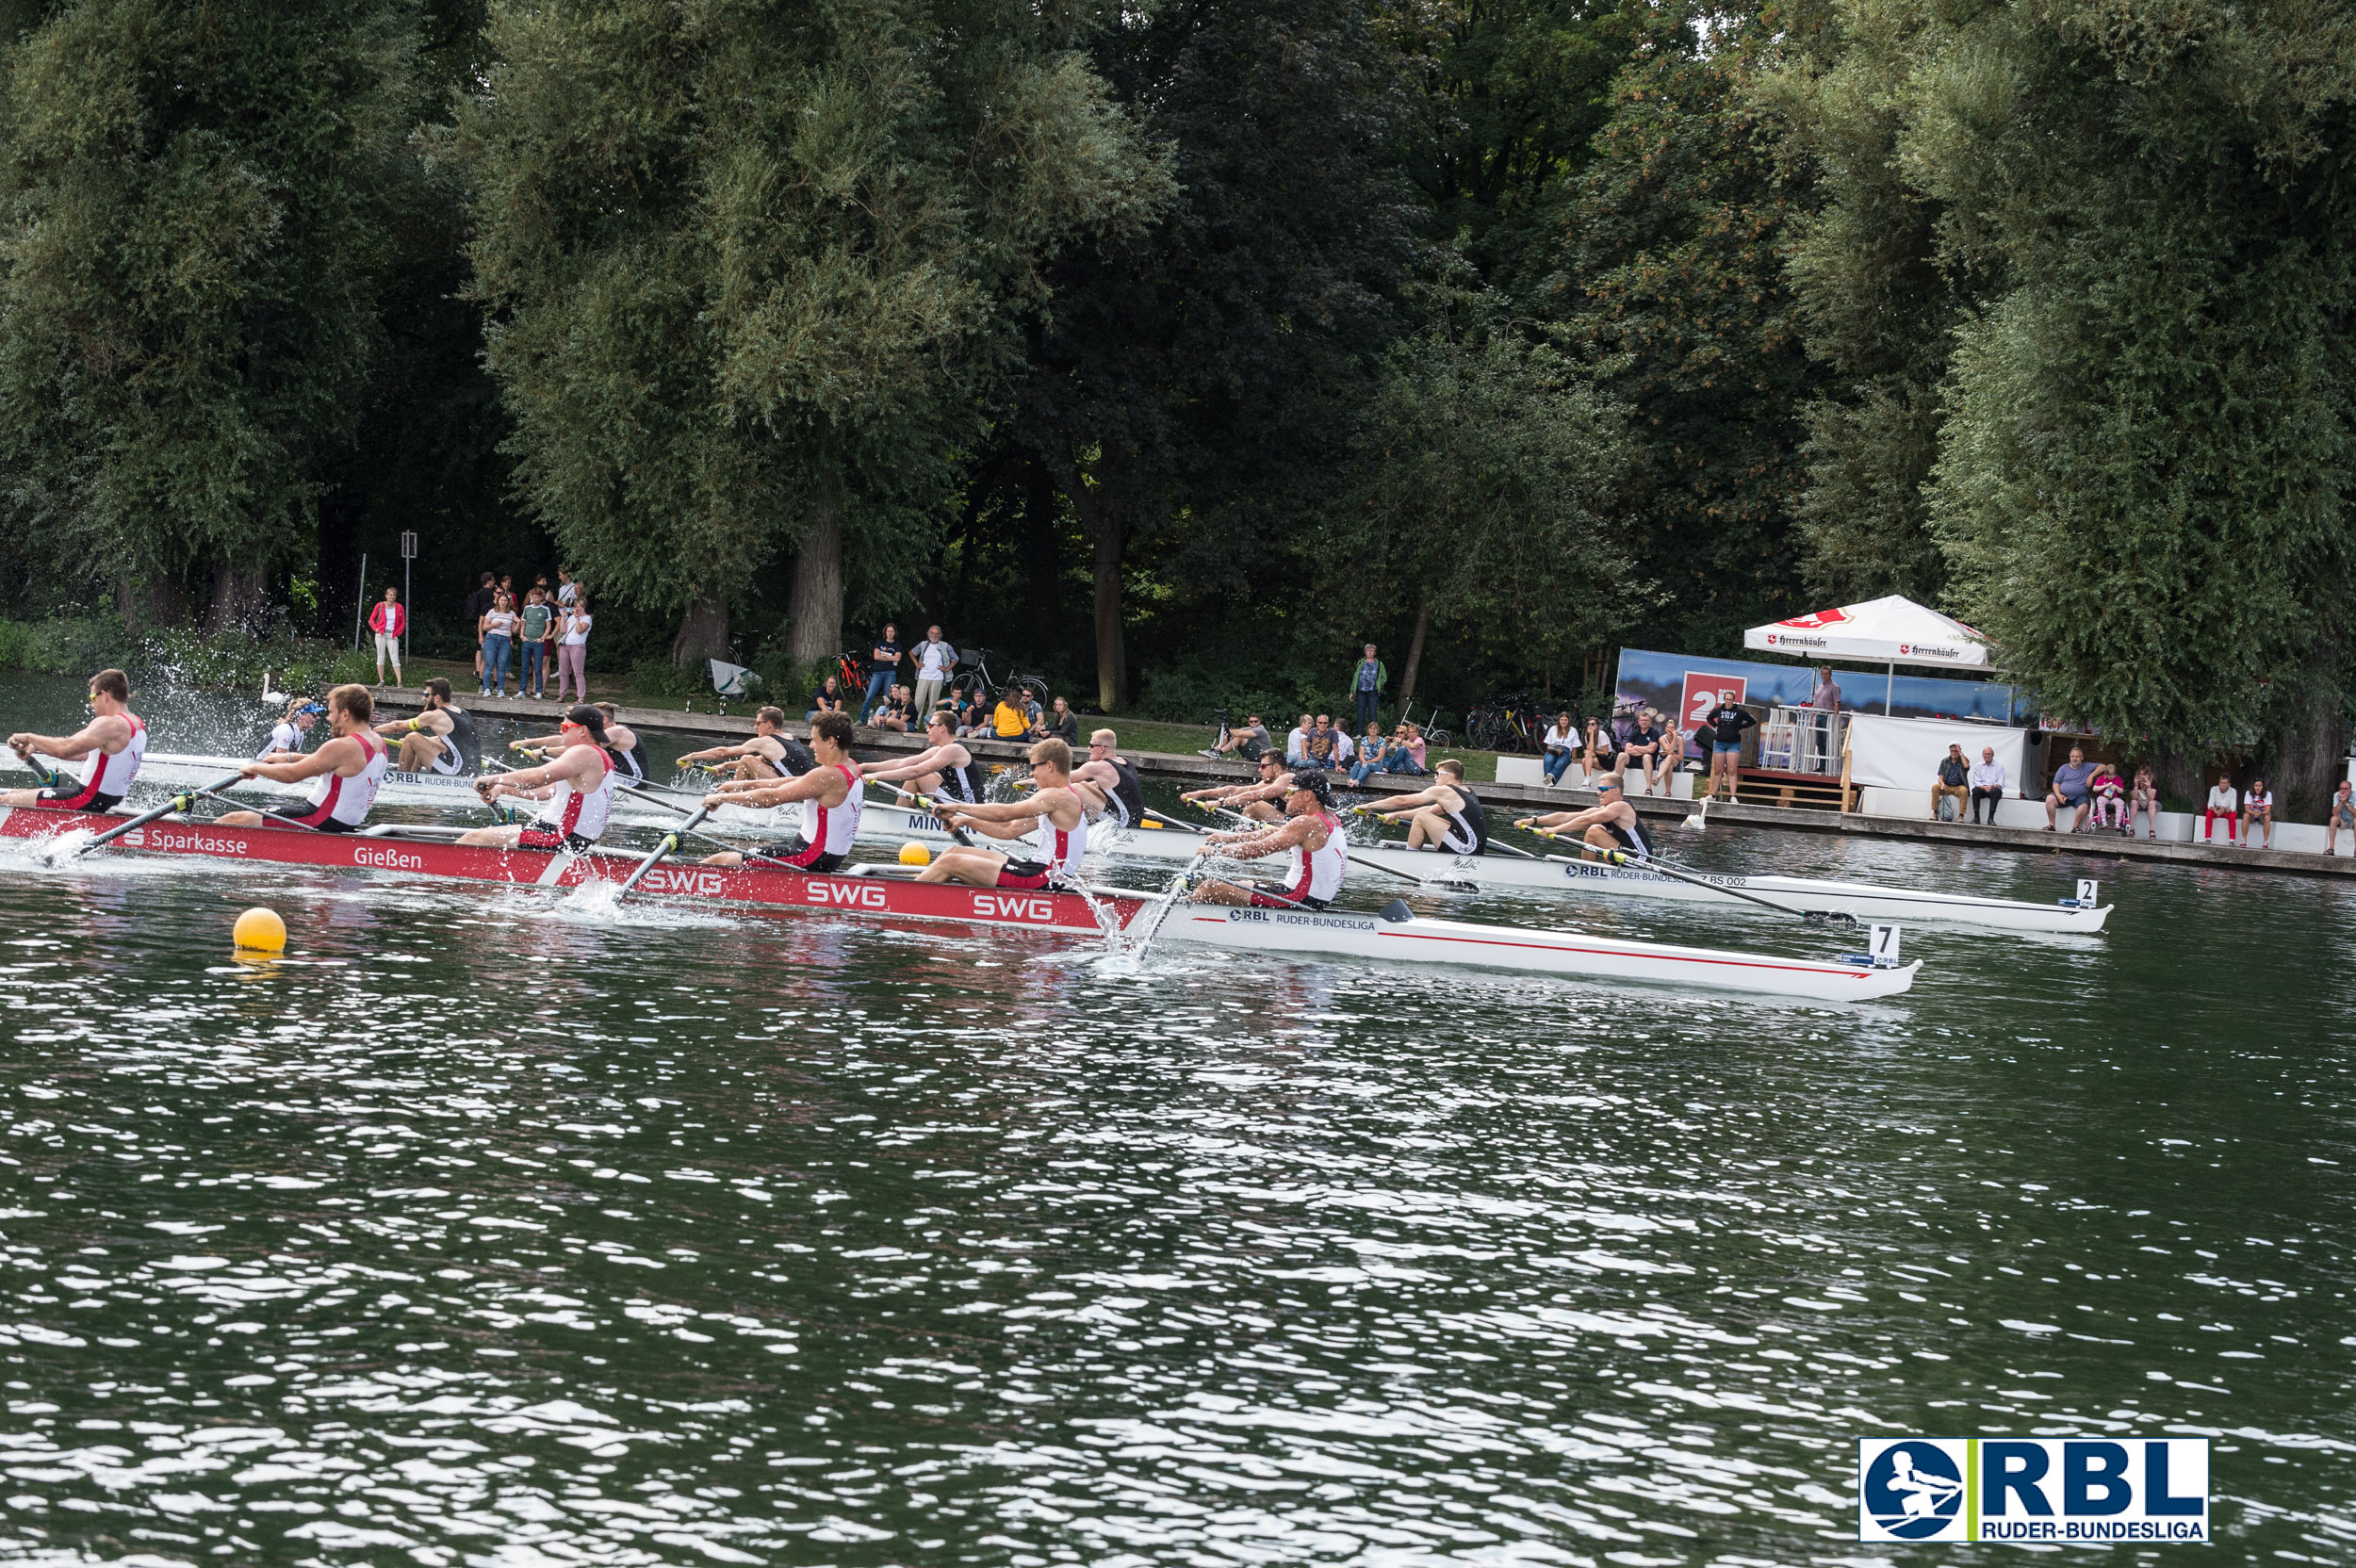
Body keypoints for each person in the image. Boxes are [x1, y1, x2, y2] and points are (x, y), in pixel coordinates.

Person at [915, 738, 1090, 890]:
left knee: (951, 863)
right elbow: (1009, 829)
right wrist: (965, 821)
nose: (1031, 773)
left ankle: (904, 900)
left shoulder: (1057, 795)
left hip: (1047, 878)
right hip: (1041, 871)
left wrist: (957, 807)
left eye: (1034, 766)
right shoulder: (1063, 798)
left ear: (1050, 765)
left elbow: (1005, 814)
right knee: (953, 851)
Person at [697, 711, 864, 870]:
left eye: (814, 740)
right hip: (827, 856)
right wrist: (738, 787)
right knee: (741, 855)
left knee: (722, 859)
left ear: (831, 742)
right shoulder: (851, 767)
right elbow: (790, 781)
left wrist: (723, 799)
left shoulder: (828, 775)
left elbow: (770, 798)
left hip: (810, 856)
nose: (811, 746)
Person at [215, 685, 385, 834]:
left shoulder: (342, 746)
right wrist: (290, 756)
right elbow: (331, 762)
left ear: (345, 714)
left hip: (319, 818)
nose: (328, 718)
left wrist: (255, 768)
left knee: (233, 819)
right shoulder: (377, 742)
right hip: (346, 823)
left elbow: (292, 775)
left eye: (331, 712)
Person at [458, 705, 616, 852]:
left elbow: (536, 778)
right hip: (566, 835)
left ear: (582, 731)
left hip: (560, 835)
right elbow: (545, 791)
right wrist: (501, 788)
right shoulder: (599, 756)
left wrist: (493, 779)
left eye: (564, 727)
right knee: (482, 839)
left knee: (473, 838)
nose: (561, 732)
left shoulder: (584, 752)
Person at [1193, 770, 1349, 909]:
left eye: (1290, 791)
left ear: (1307, 795)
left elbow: (1257, 850)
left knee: (1210, 887)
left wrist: (1216, 850)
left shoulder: (1307, 823)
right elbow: (1275, 833)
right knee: (1239, 883)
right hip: (1309, 896)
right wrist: (1228, 839)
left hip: (1299, 898)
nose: (1286, 797)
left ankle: (1187, 912)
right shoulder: (1330, 819)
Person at [3, 668, 145, 811]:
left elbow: (64, 749)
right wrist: (36, 746)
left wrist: (29, 737)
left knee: (5, 800)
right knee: (15, 794)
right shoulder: (137, 725)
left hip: (84, 800)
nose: (91, 705)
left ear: (104, 695)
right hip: (105, 801)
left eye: (92, 698)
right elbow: (82, 753)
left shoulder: (110, 724)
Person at [1359, 759, 1487, 854]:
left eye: (1437, 774)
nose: (1434, 778)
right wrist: (1396, 815)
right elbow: (1430, 810)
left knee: (1421, 817)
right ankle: (1413, 854)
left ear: (1450, 776)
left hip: (1467, 848)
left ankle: (1410, 859)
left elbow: (1402, 801)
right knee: (1423, 815)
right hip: (1474, 847)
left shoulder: (1445, 791)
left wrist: (1369, 805)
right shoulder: (1466, 791)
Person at [862, 709, 988, 805]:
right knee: (917, 776)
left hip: (967, 807)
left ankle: (897, 819)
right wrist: (862, 767)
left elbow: (916, 771)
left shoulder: (954, 749)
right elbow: (902, 763)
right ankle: (899, 816)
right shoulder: (940, 750)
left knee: (919, 775)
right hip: (955, 800)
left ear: (942, 728)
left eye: (931, 725)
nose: (927, 730)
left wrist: (876, 776)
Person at [1514, 772, 1650, 860]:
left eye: (1602, 789)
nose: (1598, 793)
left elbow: (1586, 821)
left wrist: (1555, 830)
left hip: (1640, 861)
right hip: (1623, 856)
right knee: (1595, 828)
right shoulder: (1606, 809)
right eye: (1598, 789)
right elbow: (1568, 817)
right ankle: (1586, 872)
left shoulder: (1620, 806)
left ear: (1616, 791)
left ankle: (1585, 871)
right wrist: (1534, 820)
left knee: (1593, 830)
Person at [677, 706, 812, 782]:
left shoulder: (765, 742)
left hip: (791, 790)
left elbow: (723, 752)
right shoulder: (792, 737)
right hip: (800, 787)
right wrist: (725, 766)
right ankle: (736, 794)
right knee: (748, 763)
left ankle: (732, 798)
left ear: (769, 724)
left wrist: (692, 756)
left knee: (747, 759)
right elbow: (761, 761)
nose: (755, 727)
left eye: (758, 723)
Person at [378, 678, 481, 775]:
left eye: (426, 694)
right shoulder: (462, 712)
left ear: (437, 698)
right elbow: (452, 741)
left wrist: (371, 730)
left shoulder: (435, 716)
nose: (423, 698)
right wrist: (422, 741)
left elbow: (397, 726)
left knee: (411, 738)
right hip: (471, 770)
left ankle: (400, 779)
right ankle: (412, 775)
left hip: (456, 770)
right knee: (420, 741)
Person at [1071, 729, 1148, 830]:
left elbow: (1061, 778)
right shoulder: (1125, 761)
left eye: (1091, 745)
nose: (1088, 748)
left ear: (1102, 749)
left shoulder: (1099, 767)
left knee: (1075, 788)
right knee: (1084, 784)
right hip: (1133, 819)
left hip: (1123, 825)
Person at [1183, 753, 1291, 823]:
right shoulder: (1269, 782)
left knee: (1254, 805)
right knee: (1251, 809)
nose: (1259, 770)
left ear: (1276, 767)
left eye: (1263, 766)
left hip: (1302, 828)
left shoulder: (1287, 779)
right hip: (1287, 822)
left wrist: (1219, 803)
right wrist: (1199, 793)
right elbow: (1234, 791)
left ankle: (1238, 843)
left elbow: (1254, 796)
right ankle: (1240, 841)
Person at [1693, 697, 1756, 803]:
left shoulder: (1739, 712)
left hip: (1733, 744)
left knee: (1731, 770)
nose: (1728, 701)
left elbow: (1752, 721)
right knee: (1718, 770)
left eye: (1730, 699)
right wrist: (1715, 726)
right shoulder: (1719, 710)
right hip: (1720, 743)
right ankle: (1713, 795)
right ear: (1724, 700)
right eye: (1727, 699)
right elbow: (1709, 718)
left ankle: (1733, 796)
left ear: (1733, 700)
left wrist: (1740, 726)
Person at [2044, 746, 2096, 831]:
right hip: (2063, 796)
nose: (2074, 759)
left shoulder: (2087, 766)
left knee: (2084, 805)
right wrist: (2058, 794)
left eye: (2077, 756)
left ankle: (2075, 827)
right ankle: (2051, 825)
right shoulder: (2063, 768)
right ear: (2070, 758)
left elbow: (2103, 767)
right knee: (2050, 798)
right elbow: (2056, 783)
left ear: (2081, 758)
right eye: (2073, 756)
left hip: (2079, 797)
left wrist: (2091, 775)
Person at [859, 624, 903, 722]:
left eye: (892, 631)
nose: (890, 633)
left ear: (895, 633)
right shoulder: (880, 642)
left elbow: (897, 658)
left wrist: (884, 655)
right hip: (877, 673)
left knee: (887, 698)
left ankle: (884, 721)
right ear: (885, 632)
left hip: (890, 673)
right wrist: (890, 658)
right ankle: (861, 720)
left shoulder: (897, 645)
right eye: (888, 631)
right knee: (869, 696)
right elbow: (876, 657)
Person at [478, 590, 517, 696]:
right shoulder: (492, 612)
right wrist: (494, 625)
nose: (503, 602)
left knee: (501, 665)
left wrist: (519, 622)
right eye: (501, 600)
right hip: (492, 638)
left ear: (508, 602)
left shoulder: (511, 614)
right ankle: (486, 689)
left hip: (505, 640)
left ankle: (500, 689)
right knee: (489, 663)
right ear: (498, 601)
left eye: (505, 600)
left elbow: (514, 631)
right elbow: (484, 627)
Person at [554, 594, 592, 703]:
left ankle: (581, 697)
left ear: (583, 607)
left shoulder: (587, 618)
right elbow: (562, 630)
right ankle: (562, 695)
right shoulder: (570, 618)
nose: (576, 608)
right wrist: (563, 617)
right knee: (563, 672)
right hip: (566, 645)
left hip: (577, 646)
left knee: (578, 672)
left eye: (578, 606)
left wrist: (576, 618)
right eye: (575, 606)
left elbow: (580, 630)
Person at [912, 627, 957, 714]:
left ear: (940, 635)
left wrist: (947, 668)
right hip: (923, 676)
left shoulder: (945, 646)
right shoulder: (923, 644)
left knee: (933, 704)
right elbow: (912, 652)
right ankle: (915, 724)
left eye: (936, 633)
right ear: (929, 634)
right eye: (932, 633)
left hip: (937, 678)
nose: (934, 635)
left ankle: (929, 725)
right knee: (918, 702)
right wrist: (917, 664)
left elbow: (955, 658)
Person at [517, 587, 553, 700]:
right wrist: (522, 635)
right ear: (532, 597)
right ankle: (521, 691)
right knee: (524, 667)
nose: (536, 599)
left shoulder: (545, 609)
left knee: (537, 668)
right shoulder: (527, 608)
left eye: (538, 597)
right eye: (534, 597)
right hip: (527, 640)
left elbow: (549, 626)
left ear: (542, 597)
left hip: (538, 642)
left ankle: (538, 692)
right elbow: (523, 623)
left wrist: (543, 638)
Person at [1625, 708, 1670, 796]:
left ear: (1650, 722)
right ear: (1639, 721)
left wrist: (1636, 747)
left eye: (1646, 720)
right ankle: (1617, 786)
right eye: (1642, 720)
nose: (1644, 722)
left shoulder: (1654, 733)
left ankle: (1648, 789)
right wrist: (1645, 748)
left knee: (1646, 756)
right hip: (1633, 760)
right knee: (1622, 755)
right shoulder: (1635, 732)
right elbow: (1627, 749)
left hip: (1648, 762)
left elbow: (1651, 750)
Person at [259, 699, 323, 759]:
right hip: (260, 764)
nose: (317, 718)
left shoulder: (300, 733)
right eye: (314, 714)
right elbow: (281, 760)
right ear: (301, 715)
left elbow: (295, 759)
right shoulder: (287, 730)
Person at [368, 588, 406, 688]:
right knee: (380, 657)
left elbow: (403, 622)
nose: (391, 597)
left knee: (395, 658)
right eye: (390, 595)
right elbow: (372, 619)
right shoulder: (380, 605)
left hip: (392, 635)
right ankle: (381, 680)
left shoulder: (399, 607)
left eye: (393, 595)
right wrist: (375, 629)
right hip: (381, 634)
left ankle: (399, 681)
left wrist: (398, 632)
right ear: (386, 596)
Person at [1808, 666, 1842, 773]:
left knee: (1827, 740)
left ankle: (1827, 766)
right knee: (1819, 741)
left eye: (1827, 673)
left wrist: (1835, 719)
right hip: (1819, 715)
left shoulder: (1835, 687)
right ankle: (1822, 765)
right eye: (1823, 673)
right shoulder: (1819, 686)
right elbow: (1816, 703)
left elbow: (1837, 703)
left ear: (1830, 674)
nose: (1825, 675)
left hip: (1828, 716)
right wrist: (1812, 715)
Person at [465, 573, 496, 687]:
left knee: (479, 647)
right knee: (487, 647)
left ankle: (478, 670)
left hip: (478, 621)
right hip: (488, 622)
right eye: (493, 580)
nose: (494, 582)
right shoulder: (490, 594)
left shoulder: (477, 593)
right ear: (488, 581)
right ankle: (486, 669)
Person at [1204, 711, 1271, 762]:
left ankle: (1218, 753)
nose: (1253, 723)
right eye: (1251, 721)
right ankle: (1213, 750)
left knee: (1240, 737)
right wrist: (1227, 734)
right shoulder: (1249, 728)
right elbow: (1236, 732)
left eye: (1255, 721)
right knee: (1233, 735)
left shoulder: (1260, 729)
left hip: (1262, 757)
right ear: (1249, 722)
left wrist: (1228, 731)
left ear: (1259, 721)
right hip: (1254, 754)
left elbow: (1240, 734)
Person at [1350, 645, 1386, 732]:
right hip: (1360, 691)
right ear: (1365, 652)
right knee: (1360, 712)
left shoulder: (1379, 663)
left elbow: (1384, 677)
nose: (1370, 652)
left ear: (1375, 653)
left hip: (1373, 691)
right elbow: (1355, 678)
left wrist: (1378, 686)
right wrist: (1352, 691)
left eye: (1372, 651)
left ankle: (1373, 733)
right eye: (1368, 650)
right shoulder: (1360, 663)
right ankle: (1359, 733)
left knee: (1372, 713)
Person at [1931, 743, 1971, 821]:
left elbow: (1966, 766)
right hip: (1947, 786)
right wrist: (1942, 784)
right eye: (1952, 751)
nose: (1954, 753)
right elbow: (1940, 777)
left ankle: (1961, 815)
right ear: (1949, 751)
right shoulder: (1945, 761)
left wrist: (1960, 752)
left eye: (1956, 751)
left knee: (1964, 790)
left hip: (1959, 786)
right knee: (1935, 787)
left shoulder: (1963, 760)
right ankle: (1935, 813)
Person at [1969, 746, 2006, 825]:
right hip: (1983, 788)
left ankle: (1991, 818)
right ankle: (1976, 818)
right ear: (1983, 755)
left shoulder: (1999, 766)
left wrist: (1992, 786)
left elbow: (2001, 782)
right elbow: (1976, 781)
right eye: (1985, 754)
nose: (1987, 756)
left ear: (1993, 755)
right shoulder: (1978, 765)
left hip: (1994, 788)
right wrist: (1983, 787)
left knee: (1996, 792)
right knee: (1975, 791)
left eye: (1989, 754)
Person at [1541, 711, 1579, 787]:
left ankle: (1550, 778)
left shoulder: (1573, 730)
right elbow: (1549, 743)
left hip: (1565, 750)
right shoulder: (1553, 728)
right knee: (1548, 760)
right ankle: (1550, 782)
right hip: (1553, 748)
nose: (1563, 722)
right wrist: (1546, 754)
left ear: (1568, 721)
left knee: (1560, 763)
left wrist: (1574, 758)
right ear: (1559, 720)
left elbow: (1574, 746)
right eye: (1562, 720)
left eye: (1565, 720)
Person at [2086, 760, 2127, 831]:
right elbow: (2094, 789)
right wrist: (2105, 786)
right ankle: (2104, 821)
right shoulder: (2101, 778)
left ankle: (2117, 823)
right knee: (2099, 800)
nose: (2111, 776)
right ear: (2106, 774)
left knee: (2121, 802)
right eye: (2109, 775)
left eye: (2113, 775)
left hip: (2114, 798)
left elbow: (2122, 791)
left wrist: (2116, 787)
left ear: (2116, 774)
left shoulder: (2118, 779)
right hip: (2104, 797)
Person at [2128, 765, 2162, 841]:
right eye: (2141, 774)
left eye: (2145, 774)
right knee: (2133, 802)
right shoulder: (2135, 782)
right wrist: (2136, 786)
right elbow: (2134, 797)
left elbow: (2151, 798)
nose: (2143, 776)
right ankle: (2131, 828)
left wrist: (2148, 787)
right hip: (2140, 802)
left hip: (2153, 803)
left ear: (2148, 775)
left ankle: (2152, 830)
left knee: (2151, 803)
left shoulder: (2152, 782)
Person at [2202, 774, 2238, 842]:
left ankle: (2231, 840)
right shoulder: (2214, 789)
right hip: (2217, 810)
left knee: (2233, 814)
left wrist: (2224, 811)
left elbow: (2233, 807)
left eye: (2224, 783)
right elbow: (2210, 804)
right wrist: (2214, 809)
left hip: (2226, 811)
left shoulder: (2233, 791)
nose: (2222, 785)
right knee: (2209, 813)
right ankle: (2208, 838)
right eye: (2221, 782)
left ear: (2229, 784)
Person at [2240, 776, 2274, 849]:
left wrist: (2260, 813)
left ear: (2263, 787)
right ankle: (2244, 840)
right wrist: (2254, 813)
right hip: (2252, 814)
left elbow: (2267, 810)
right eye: (2256, 786)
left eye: (2259, 786)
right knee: (2245, 816)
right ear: (2253, 786)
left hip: (2263, 814)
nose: (2258, 788)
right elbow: (2247, 808)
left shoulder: (2268, 794)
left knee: (2267, 817)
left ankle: (2265, 842)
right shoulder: (2248, 793)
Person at [2328, 779, 2356, 857]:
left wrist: (2346, 803)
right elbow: (2335, 813)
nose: (2343, 791)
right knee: (2333, 819)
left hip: (2353, 822)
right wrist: (2341, 802)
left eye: (2346, 789)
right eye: (2341, 788)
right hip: (2343, 821)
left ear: (2350, 790)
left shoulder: (2355, 796)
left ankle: (2355, 851)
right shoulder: (2337, 795)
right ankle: (2331, 848)